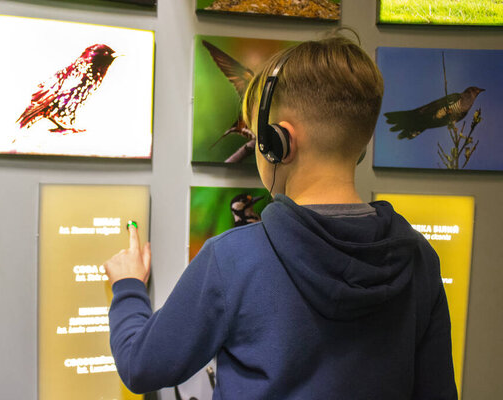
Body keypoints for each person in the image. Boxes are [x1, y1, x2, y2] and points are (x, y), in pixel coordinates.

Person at [104, 32, 457, 399]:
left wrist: (128, 286)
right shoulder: (419, 258)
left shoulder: (232, 259)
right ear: (360, 147)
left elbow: (141, 366)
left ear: (279, 143)